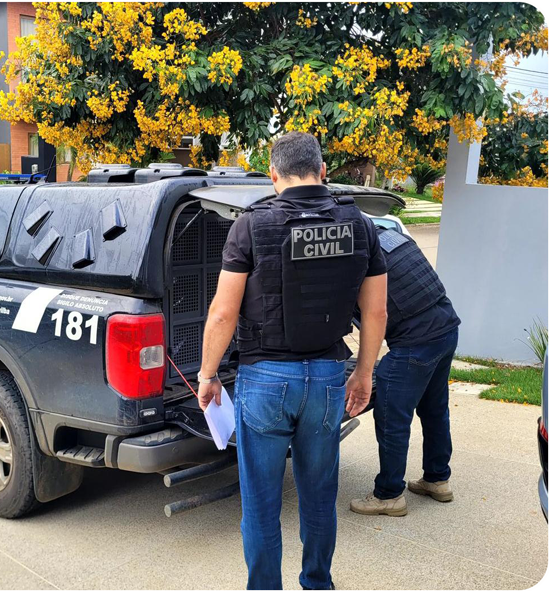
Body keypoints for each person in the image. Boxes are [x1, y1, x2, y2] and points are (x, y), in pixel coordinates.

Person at [196, 132, 388, 590]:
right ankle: (318, 583)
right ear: (322, 171)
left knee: (261, 503)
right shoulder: (359, 224)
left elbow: (222, 313)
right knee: (319, 497)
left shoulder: (251, 225)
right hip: (327, 378)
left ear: (273, 175)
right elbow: (376, 311)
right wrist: (364, 373)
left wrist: (207, 374)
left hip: (265, 380)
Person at [349, 225, 460, 517]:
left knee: (391, 416)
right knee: (434, 409)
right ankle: (437, 479)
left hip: (416, 342)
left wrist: (363, 368)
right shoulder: (389, 234)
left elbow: (374, 315)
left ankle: (389, 495)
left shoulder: (356, 254)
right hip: (446, 327)